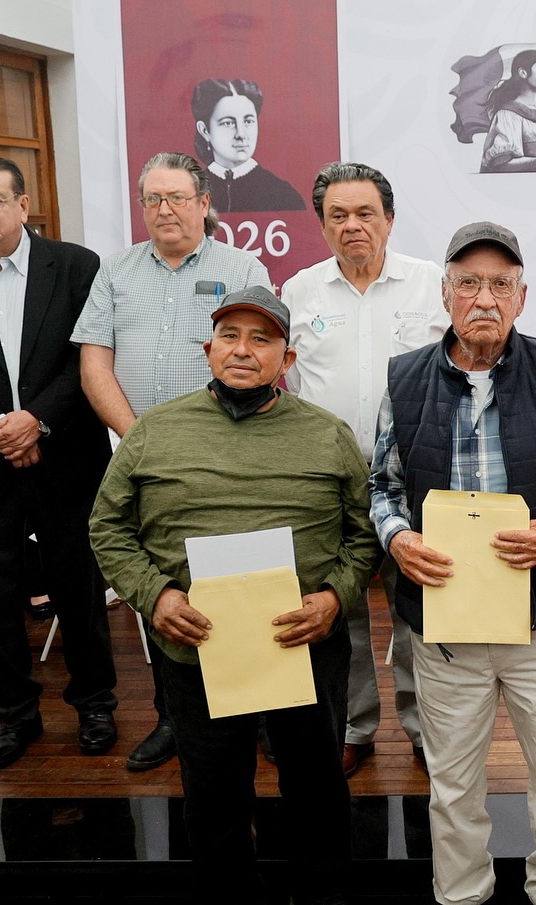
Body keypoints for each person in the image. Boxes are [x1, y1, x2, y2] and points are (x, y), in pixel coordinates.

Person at [89, 286, 378, 905]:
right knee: (214, 792)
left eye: (261, 339)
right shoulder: (154, 432)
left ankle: (323, 898)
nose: (243, 350)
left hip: (304, 646)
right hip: (197, 648)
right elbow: (107, 527)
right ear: (208, 349)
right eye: (229, 336)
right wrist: (154, 596)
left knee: (317, 787)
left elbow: (365, 533)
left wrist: (335, 597)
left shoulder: (328, 435)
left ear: (287, 359)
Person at [369, 221, 536, 905]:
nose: (484, 298)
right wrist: (398, 538)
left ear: (521, 297)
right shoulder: (404, 377)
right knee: (452, 779)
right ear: (445, 293)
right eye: (469, 283)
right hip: (445, 621)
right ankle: (461, 892)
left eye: (500, 285)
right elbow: (382, 488)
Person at [72, 150, 270, 773]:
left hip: (229, 455)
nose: (165, 210)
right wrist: (139, 440)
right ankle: (173, 719)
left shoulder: (242, 268)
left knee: (236, 579)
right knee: (163, 585)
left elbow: (260, 357)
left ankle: (254, 709)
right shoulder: (115, 271)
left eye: (177, 197)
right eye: (153, 199)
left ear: (204, 203)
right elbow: (94, 364)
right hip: (145, 459)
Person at [0, 156, 118, 770]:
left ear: (22, 205)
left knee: (80, 589)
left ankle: (95, 705)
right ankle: (15, 715)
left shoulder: (77, 266)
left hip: (66, 458)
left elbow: (87, 360)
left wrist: (35, 419)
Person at [281, 161, 448, 777]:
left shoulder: (431, 285)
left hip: (417, 477)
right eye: (338, 215)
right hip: (330, 480)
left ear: (389, 219)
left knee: (417, 609)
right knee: (341, 607)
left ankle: (425, 729)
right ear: (322, 224)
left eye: (365, 213)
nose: (352, 225)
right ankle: (354, 726)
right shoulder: (299, 291)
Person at [191, 77, 306, 212]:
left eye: (248, 121)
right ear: (204, 130)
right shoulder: (191, 194)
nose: (241, 134)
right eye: (228, 123)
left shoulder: (283, 195)